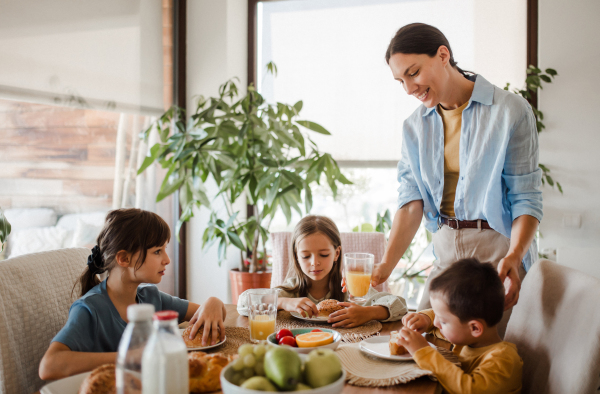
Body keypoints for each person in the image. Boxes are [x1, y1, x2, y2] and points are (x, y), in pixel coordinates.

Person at [371, 23, 543, 336]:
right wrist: (386, 264)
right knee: (423, 346)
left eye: (413, 72)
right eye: (400, 80)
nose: (409, 88)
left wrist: (514, 257)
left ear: (443, 55)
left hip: (496, 252)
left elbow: (525, 198)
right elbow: (411, 203)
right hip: (446, 251)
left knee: (488, 357)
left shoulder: (509, 111)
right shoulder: (414, 127)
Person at [39, 208, 226, 380]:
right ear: (124, 258)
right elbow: (49, 366)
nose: (167, 260)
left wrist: (214, 302)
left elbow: (205, 314)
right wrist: (131, 357)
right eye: (157, 251)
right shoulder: (90, 309)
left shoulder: (152, 298)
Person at [237, 215, 407, 327]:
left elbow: (400, 306)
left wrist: (368, 312)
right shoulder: (291, 291)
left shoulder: (350, 290)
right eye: (305, 256)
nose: (315, 263)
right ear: (296, 257)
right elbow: (243, 302)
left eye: (324, 254)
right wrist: (282, 302)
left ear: (336, 253)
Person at [395, 258, 523, 393]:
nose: (436, 323)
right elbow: (449, 321)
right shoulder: (467, 338)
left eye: (443, 321)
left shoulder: (504, 359)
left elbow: (469, 389)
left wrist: (424, 352)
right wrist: (426, 319)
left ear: (474, 328)